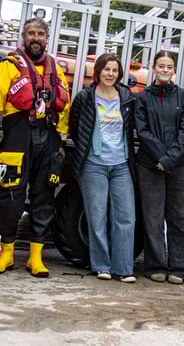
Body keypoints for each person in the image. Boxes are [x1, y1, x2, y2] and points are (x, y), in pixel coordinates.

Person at [0, 17, 70, 278]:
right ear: (23, 37)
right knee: (11, 196)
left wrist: (60, 141)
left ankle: (36, 258)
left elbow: (65, 108)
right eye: (31, 33)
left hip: (48, 136)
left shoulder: (56, 70)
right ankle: (6, 253)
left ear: (47, 38)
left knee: (44, 196)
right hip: (18, 134)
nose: (36, 38)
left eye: (40, 33)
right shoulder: (7, 67)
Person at [69, 52, 137, 282]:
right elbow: (75, 128)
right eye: (106, 69)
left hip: (121, 164)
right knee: (97, 217)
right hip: (93, 165)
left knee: (126, 217)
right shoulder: (85, 97)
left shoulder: (126, 96)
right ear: (97, 72)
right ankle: (102, 266)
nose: (110, 74)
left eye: (114, 70)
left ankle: (124, 268)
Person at [135, 50, 184, 284]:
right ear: (154, 68)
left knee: (180, 217)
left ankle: (179, 268)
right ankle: (155, 265)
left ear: (174, 70)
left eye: (169, 67)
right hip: (150, 164)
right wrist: (160, 156)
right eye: (161, 66)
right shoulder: (142, 98)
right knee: (153, 217)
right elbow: (142, 131)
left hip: (180, 165)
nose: (165, 70)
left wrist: (170, 158)